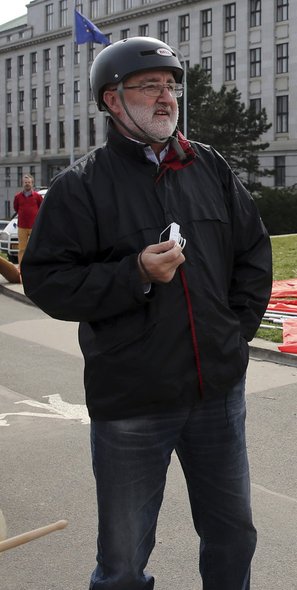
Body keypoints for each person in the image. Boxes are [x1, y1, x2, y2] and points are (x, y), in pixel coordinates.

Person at [20, 37, 272, 588]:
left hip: (216, 392)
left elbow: (254, 255)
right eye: (150, 86)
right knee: (124, 558)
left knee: (233, 535)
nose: (166, 97)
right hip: (132, 399)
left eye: (172, 86)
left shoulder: (210, 168)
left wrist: (235, 334)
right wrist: (133, 273)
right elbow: (46, 281)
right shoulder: (80, 187)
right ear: (113, 100)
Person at [12, 173, 44, 265]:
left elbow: (41, 208)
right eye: (25, 182)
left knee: (34, 247)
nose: (27, 184)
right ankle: (21, 268)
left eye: (29, 182)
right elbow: (16, 208)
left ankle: (34, 266)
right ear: (22, 183)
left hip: (34, 226)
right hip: (22, 226)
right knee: (22, 248)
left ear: (32, 183)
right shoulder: (18, 197)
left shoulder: (37, 196)